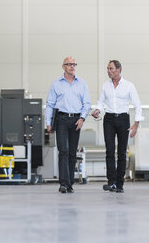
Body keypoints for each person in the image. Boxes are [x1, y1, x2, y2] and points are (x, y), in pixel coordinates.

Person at [91, 60, 144, 193]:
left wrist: (136, 125)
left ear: (119, 69)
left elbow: (138, 105)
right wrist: (97, 110)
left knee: (121, 152)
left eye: (111, 68)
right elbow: (101, 102)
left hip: (123, 119)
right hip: (108, 119)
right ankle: (111, 182)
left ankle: (120, 184)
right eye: (108, 69)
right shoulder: (105, 86)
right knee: (109, 151)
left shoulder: (129, 86)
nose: (108, 71)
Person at [46, 57, 91, 193]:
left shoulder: (82, 84)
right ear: (63, 66)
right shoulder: (56, 84)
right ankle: (64, 183)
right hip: (61, 119)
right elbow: (50, 104)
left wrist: (82, 118)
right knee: (63, 150)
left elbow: (87, 104)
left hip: (76, 120)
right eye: (69, 64)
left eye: (74, 64)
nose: (72, 66)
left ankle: (70, 183)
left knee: (72, 152)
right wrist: (48, 123)